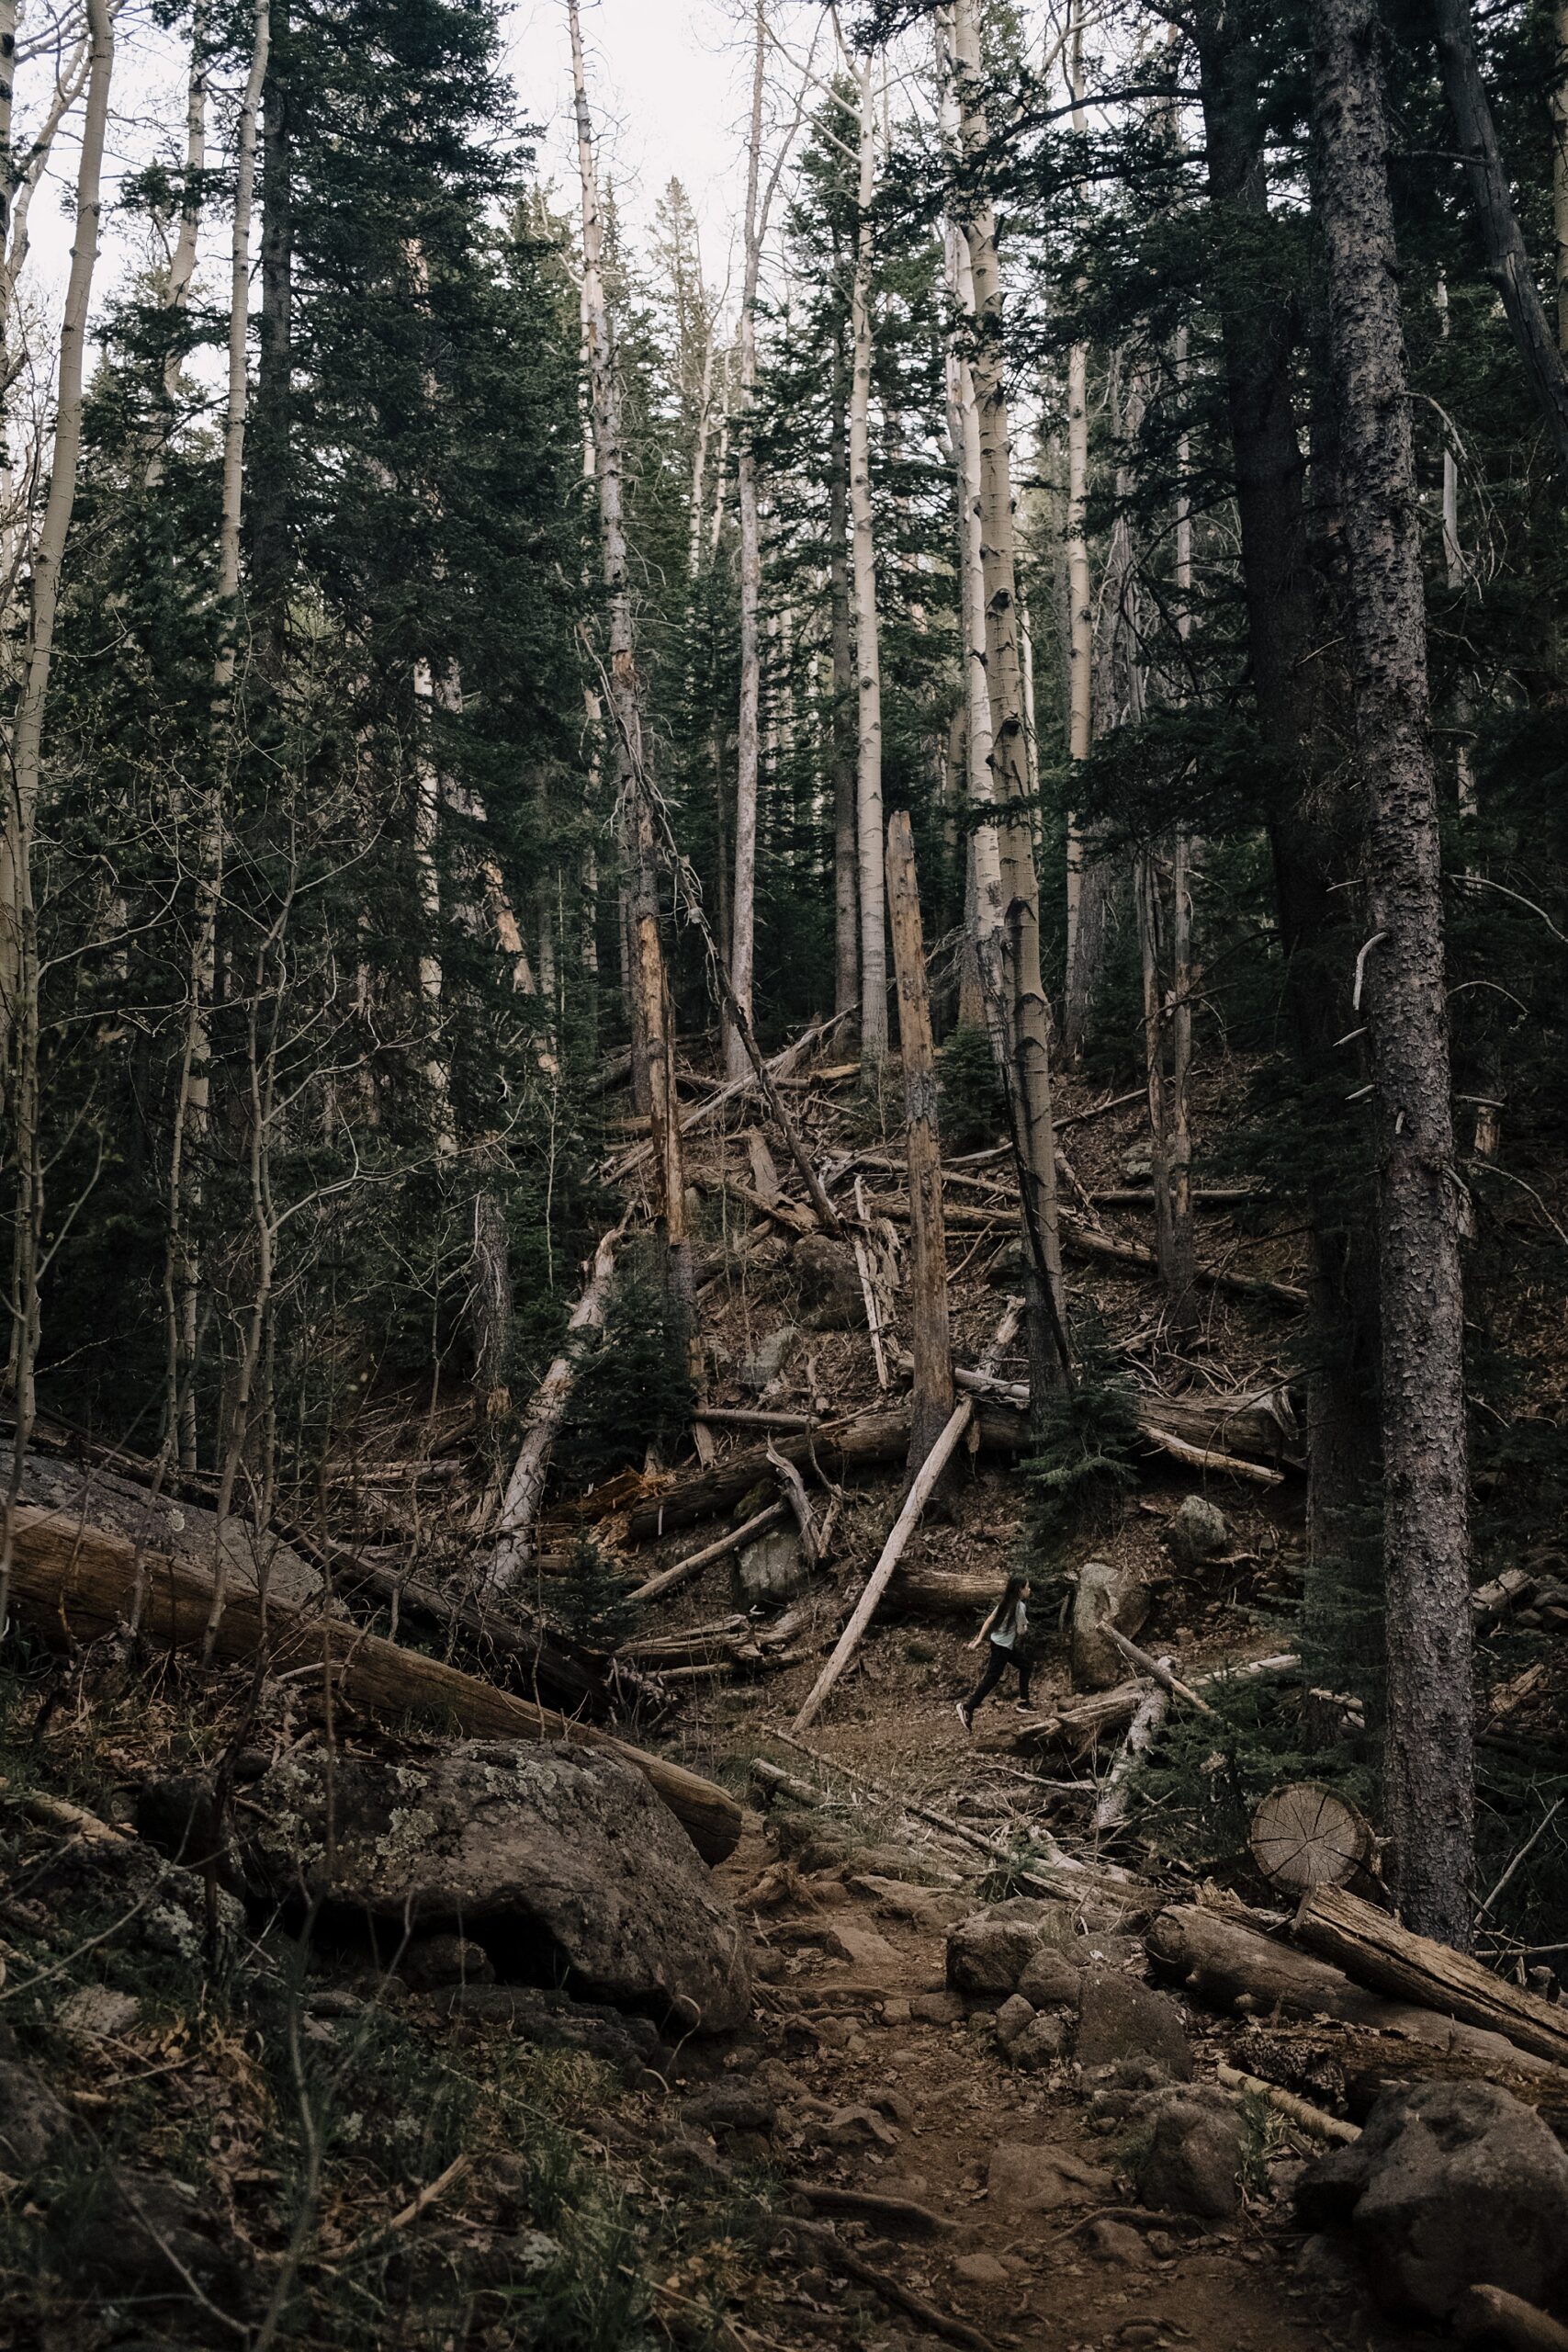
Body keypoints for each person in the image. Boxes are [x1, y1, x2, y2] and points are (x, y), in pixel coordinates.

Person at [955, 1573, 1032, 1729]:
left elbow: (989, 1620)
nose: (1029, 1590)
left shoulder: (1005, 1602)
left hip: (1000, 1644)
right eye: (1027, 1587)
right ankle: (967, 1708)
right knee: (991, 1679)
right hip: (1002, 1648)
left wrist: (979, 1640)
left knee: (1026, 1665)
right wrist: (1025, 1627)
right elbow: (1021, 1632)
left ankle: (1024, 1702)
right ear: (1020, 1590)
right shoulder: (1019, 1607)